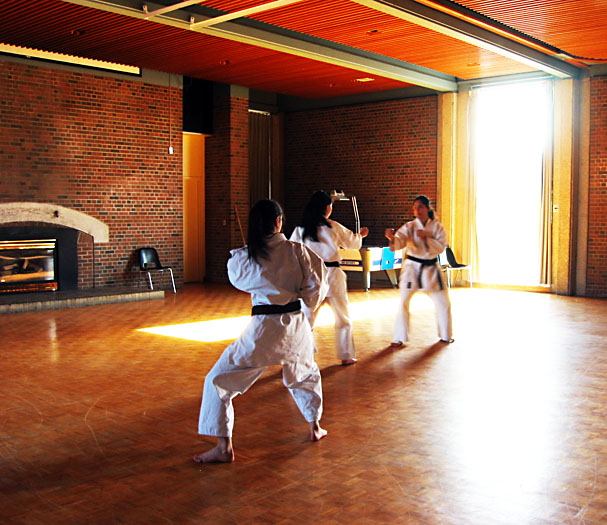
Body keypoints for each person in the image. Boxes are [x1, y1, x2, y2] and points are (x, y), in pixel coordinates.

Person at [194, 199, 329, 464]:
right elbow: (318, 284)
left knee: (217, 381)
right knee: (305, 374)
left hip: (262, 332)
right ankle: (315, 427)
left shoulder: (248, 256)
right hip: (295, 326)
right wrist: (305, 298)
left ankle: (223, 447)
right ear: (279, 221)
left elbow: (237, 278)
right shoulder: (297, 251)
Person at [290, 190, 369, 366]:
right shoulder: (333, 226)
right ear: (327, 208)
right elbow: (352, 243)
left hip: (310, 278)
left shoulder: (300, 230)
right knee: (342, 316)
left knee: (306, 317)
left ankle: (300, 355)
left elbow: (291, 253)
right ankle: (347, 354)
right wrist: (360, 236)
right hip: (333, 275)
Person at [384, 195, 453, 346]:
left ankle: (446, 335)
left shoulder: (437, 227)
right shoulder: (409, 226)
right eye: (415, 208)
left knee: (443, 302)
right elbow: (398, 243)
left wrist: (428, 237)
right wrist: (391, 238)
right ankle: (399, 337)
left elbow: (441, 247)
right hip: (412, 268)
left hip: (431, 268)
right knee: (403, 301)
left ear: (428, 208)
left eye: (420, 207)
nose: (417, 210)